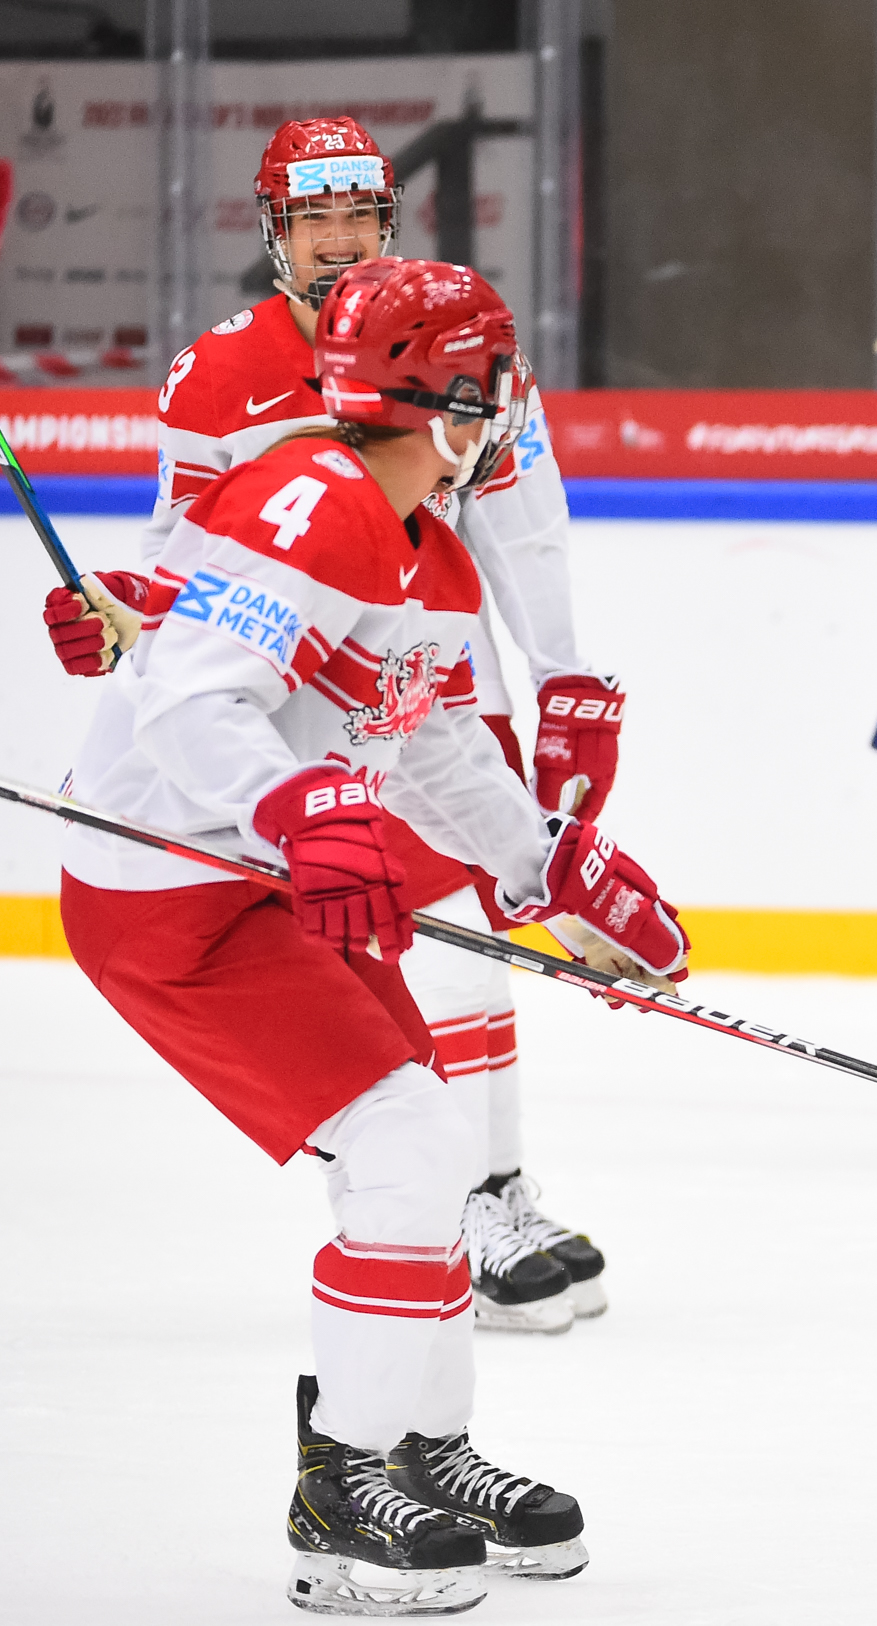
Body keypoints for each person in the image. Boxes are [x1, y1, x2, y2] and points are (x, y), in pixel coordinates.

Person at [53, 257, 688, 1611]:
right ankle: (340, 1487)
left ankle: (422, 1443)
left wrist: (556, 872)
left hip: (267, 875)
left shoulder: (421, 544)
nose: (511, 402)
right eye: (496, 377)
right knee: (405, 1142)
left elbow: (442, 745)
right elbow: (187, 704)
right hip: (171, 896)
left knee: (436, 1148)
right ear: (448, 391)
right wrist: (304, 808)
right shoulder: (313, 503)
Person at [41, 116, 619, 1333]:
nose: (345, 240)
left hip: (421, 682)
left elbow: (521, 522)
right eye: (318, 220)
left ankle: (488, 1194)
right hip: (295, 714)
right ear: (274, 230)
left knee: (461, 933)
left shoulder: (451, 332)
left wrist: (564, 677)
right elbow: (192, 572)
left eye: (363, 215)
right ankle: (429, 1210)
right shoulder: (216, 379)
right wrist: (129, 615)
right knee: (382, 974)